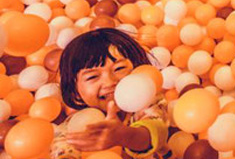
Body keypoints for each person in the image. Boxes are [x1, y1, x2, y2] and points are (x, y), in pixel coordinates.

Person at [51, 28, 169, 159]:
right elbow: (62, 150)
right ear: (75, 92)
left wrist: (123, 136)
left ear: (138, 69)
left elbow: (157, 129)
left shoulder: (150, 102)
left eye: (119, 68)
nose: (110, 82)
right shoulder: (74, 127)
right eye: (92, 77)